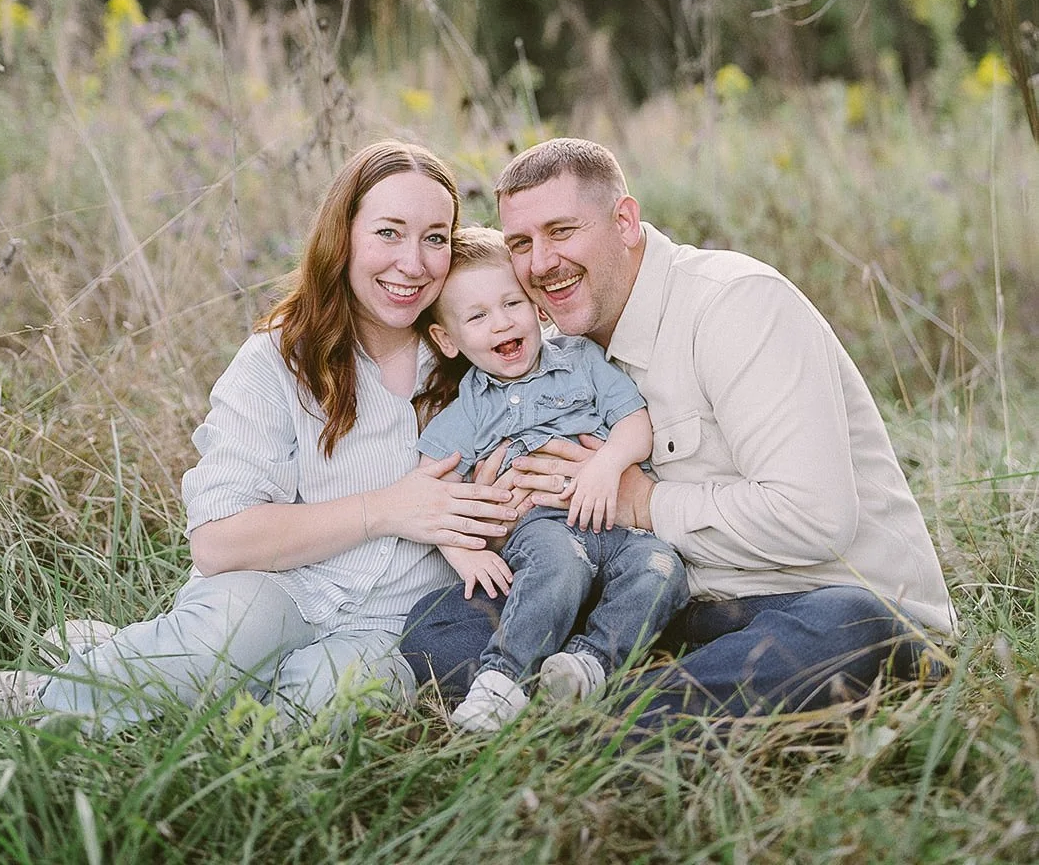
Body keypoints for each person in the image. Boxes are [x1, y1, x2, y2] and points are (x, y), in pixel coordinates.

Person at [403, 137, 956, 734]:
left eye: (562, 231)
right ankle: (600, 692)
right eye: (521, 243)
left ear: (625, 221)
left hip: (813, 599)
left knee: (845, 626)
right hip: (673, 600)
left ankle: (598, 725)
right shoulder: (564, 346)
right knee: (437, 625)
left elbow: (816, 520)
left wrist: (640, 502)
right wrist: (510, 515)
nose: (540, 264)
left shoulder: (736, 305)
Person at [0, 140, 514, 729]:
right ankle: (48, 698)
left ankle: (122, 660)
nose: (413, 263)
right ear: (345, 236)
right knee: (224, 644)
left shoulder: (481, 356)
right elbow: (220, 543)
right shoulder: (279, 361)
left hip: (388, 627)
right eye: (388, 232)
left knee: (320, 707)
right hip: (279, 592)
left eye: (435, 237)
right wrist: (389, 509)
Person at [416, 227, 690, 732]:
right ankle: (502, 683)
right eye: (477, 316)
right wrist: (465, 553)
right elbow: (428, 492)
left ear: (538, 307)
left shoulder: (581, 361)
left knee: (663, 568)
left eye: (512, 304)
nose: (501, 324)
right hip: (543, 528)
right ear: (447, 340)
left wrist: (607, 465)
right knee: (558, 565)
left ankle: (589, 666)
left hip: (617, 524)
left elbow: (635, 423)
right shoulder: (470, 410)